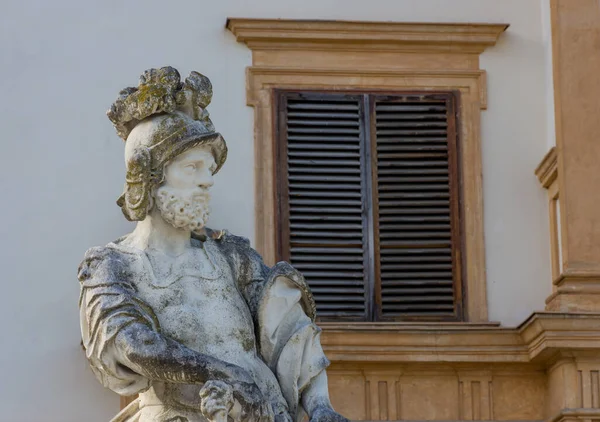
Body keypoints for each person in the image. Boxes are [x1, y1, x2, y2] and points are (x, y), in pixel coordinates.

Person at [77, 67, 348, 422]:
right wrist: (223, 373)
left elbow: (290, 331)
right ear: (149, 178)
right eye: (193, 168)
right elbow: (133, 344)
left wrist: (320, 406)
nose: (207, 182)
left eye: (209, 170)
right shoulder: (113, 266)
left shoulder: (233, 257)